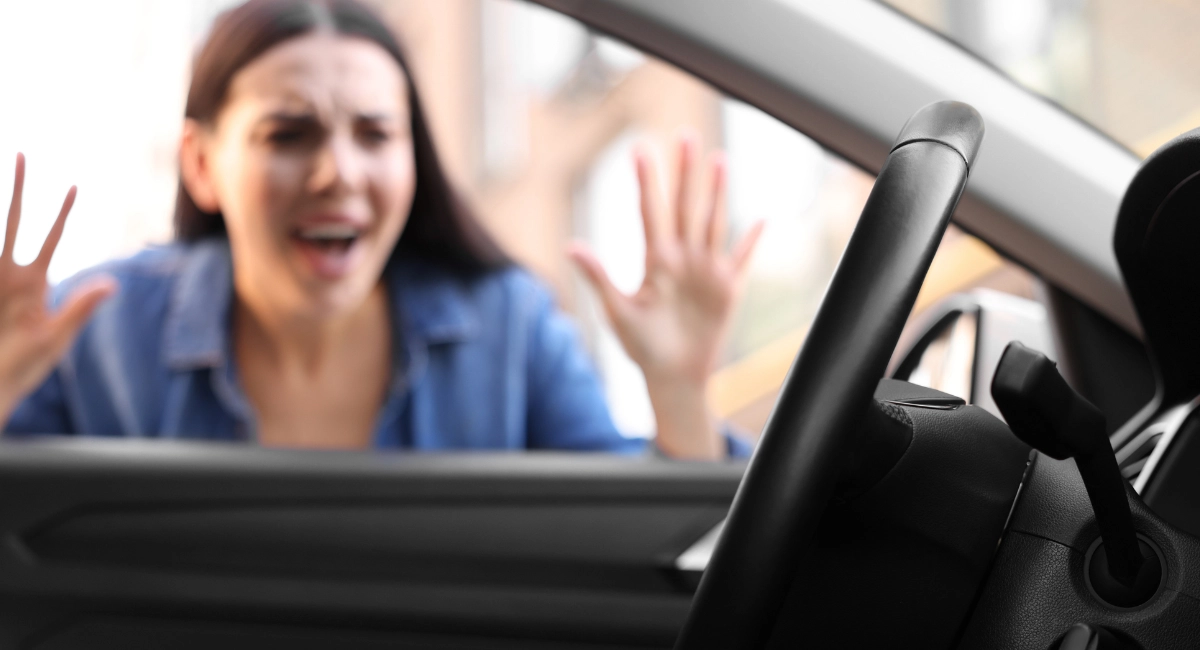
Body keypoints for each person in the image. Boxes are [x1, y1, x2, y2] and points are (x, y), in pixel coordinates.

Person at [0, 0, 763, 459]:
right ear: (201, 164)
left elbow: (646, 559)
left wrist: (678, 393)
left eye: (374, 132)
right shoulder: (93, 337)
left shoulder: (508, 326)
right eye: (289, 133)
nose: (340, 172)